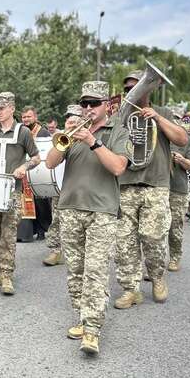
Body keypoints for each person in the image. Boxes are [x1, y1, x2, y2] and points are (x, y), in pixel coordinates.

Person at [45, 81, 129, 355]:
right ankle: (82, 317)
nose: (88, 108)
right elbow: (50, 162)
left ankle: (92, 329)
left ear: (107, 105)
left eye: (94, 103)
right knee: (75, 270)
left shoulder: (118, 131)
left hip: (102, 210)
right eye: (84, 104)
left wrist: (93, 142)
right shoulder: (73, 131)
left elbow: (118, 167)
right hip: (70, 207)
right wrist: (65, 135)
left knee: (95, 270)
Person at [114, 70, 188, 309]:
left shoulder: (163, 112)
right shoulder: (120, 115)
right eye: (128, 89)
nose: (131, 92)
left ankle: (157, 277)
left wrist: (157, 118)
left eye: (137, 87)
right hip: (125, 185)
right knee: (124, 241)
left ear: (149, 88)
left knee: (153, 237)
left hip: (155, 185)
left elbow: (182, 139)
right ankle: (130, 289)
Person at [0, 92, 41, 295]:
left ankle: (7, 275)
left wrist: (24, 167)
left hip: (13, 191)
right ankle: (0, 267)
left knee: (9, 232)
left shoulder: (23, 132)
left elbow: (36, 158)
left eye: (3, 108)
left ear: (12, 109)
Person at [43, 105, 84, 267]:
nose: (70, 120)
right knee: (57, 218)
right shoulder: (61, 136)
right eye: (68, 117)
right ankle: (55, 250)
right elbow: (50, 162)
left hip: (84, 186)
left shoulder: (90, 135)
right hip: (63, 185)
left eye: (74, 117)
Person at [167, 125, 190, 272]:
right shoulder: (159, 136)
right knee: (155, 229)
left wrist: (182, 160)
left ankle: (175, 257)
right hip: (157, 188)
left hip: (177, 189)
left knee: (175, 227)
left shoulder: (186, 140)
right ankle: (155, 264)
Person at [21, 105, 51, 240]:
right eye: (24, 117)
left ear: (35, 117)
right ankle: (30, 229)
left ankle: (41, 229)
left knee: (41, 201)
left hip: (39, 170)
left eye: (29, 116)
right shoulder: (21, 131)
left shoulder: (43, 132)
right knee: (27, 202)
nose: (26, 119)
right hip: (25, 169)